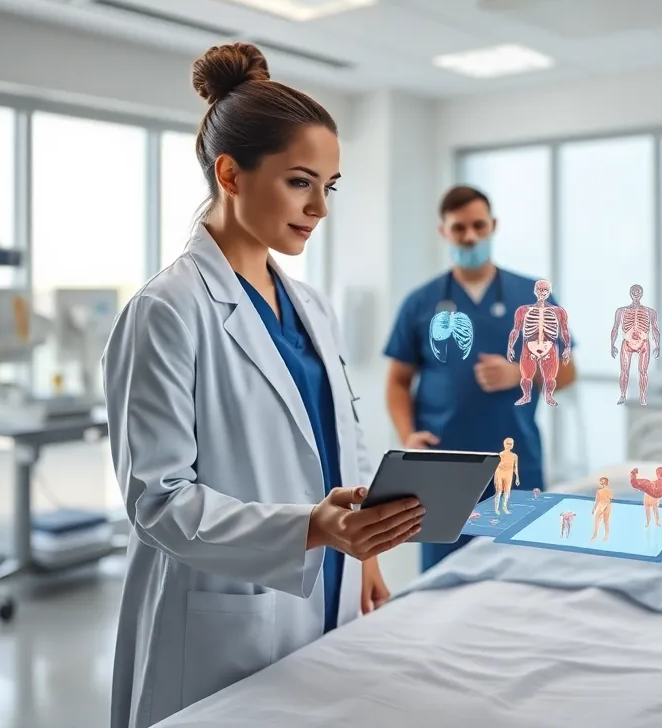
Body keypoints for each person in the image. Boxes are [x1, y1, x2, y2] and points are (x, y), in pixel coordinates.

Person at [103, 43, 423, 728]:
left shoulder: (311, 306)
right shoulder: (167, 309)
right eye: (301, 182)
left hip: (330, 581)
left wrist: (362, 549)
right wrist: (313, 527)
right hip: (223, 613)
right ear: (232, 174)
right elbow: (157, 504)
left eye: (329, 187)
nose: (320, 208)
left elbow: (342, 439)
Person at [384, 185, 577, 570]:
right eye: (459, 228)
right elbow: (397, 381)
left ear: (493, 226)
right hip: (442, 467)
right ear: (444, 232)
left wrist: (521, 370)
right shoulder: (421, 302)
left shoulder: (532, 297)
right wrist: (407, 438)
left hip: (516, 463)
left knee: (521, 574)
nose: (470, 236)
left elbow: (568, 371)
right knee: (443, 577)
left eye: (477, 226)